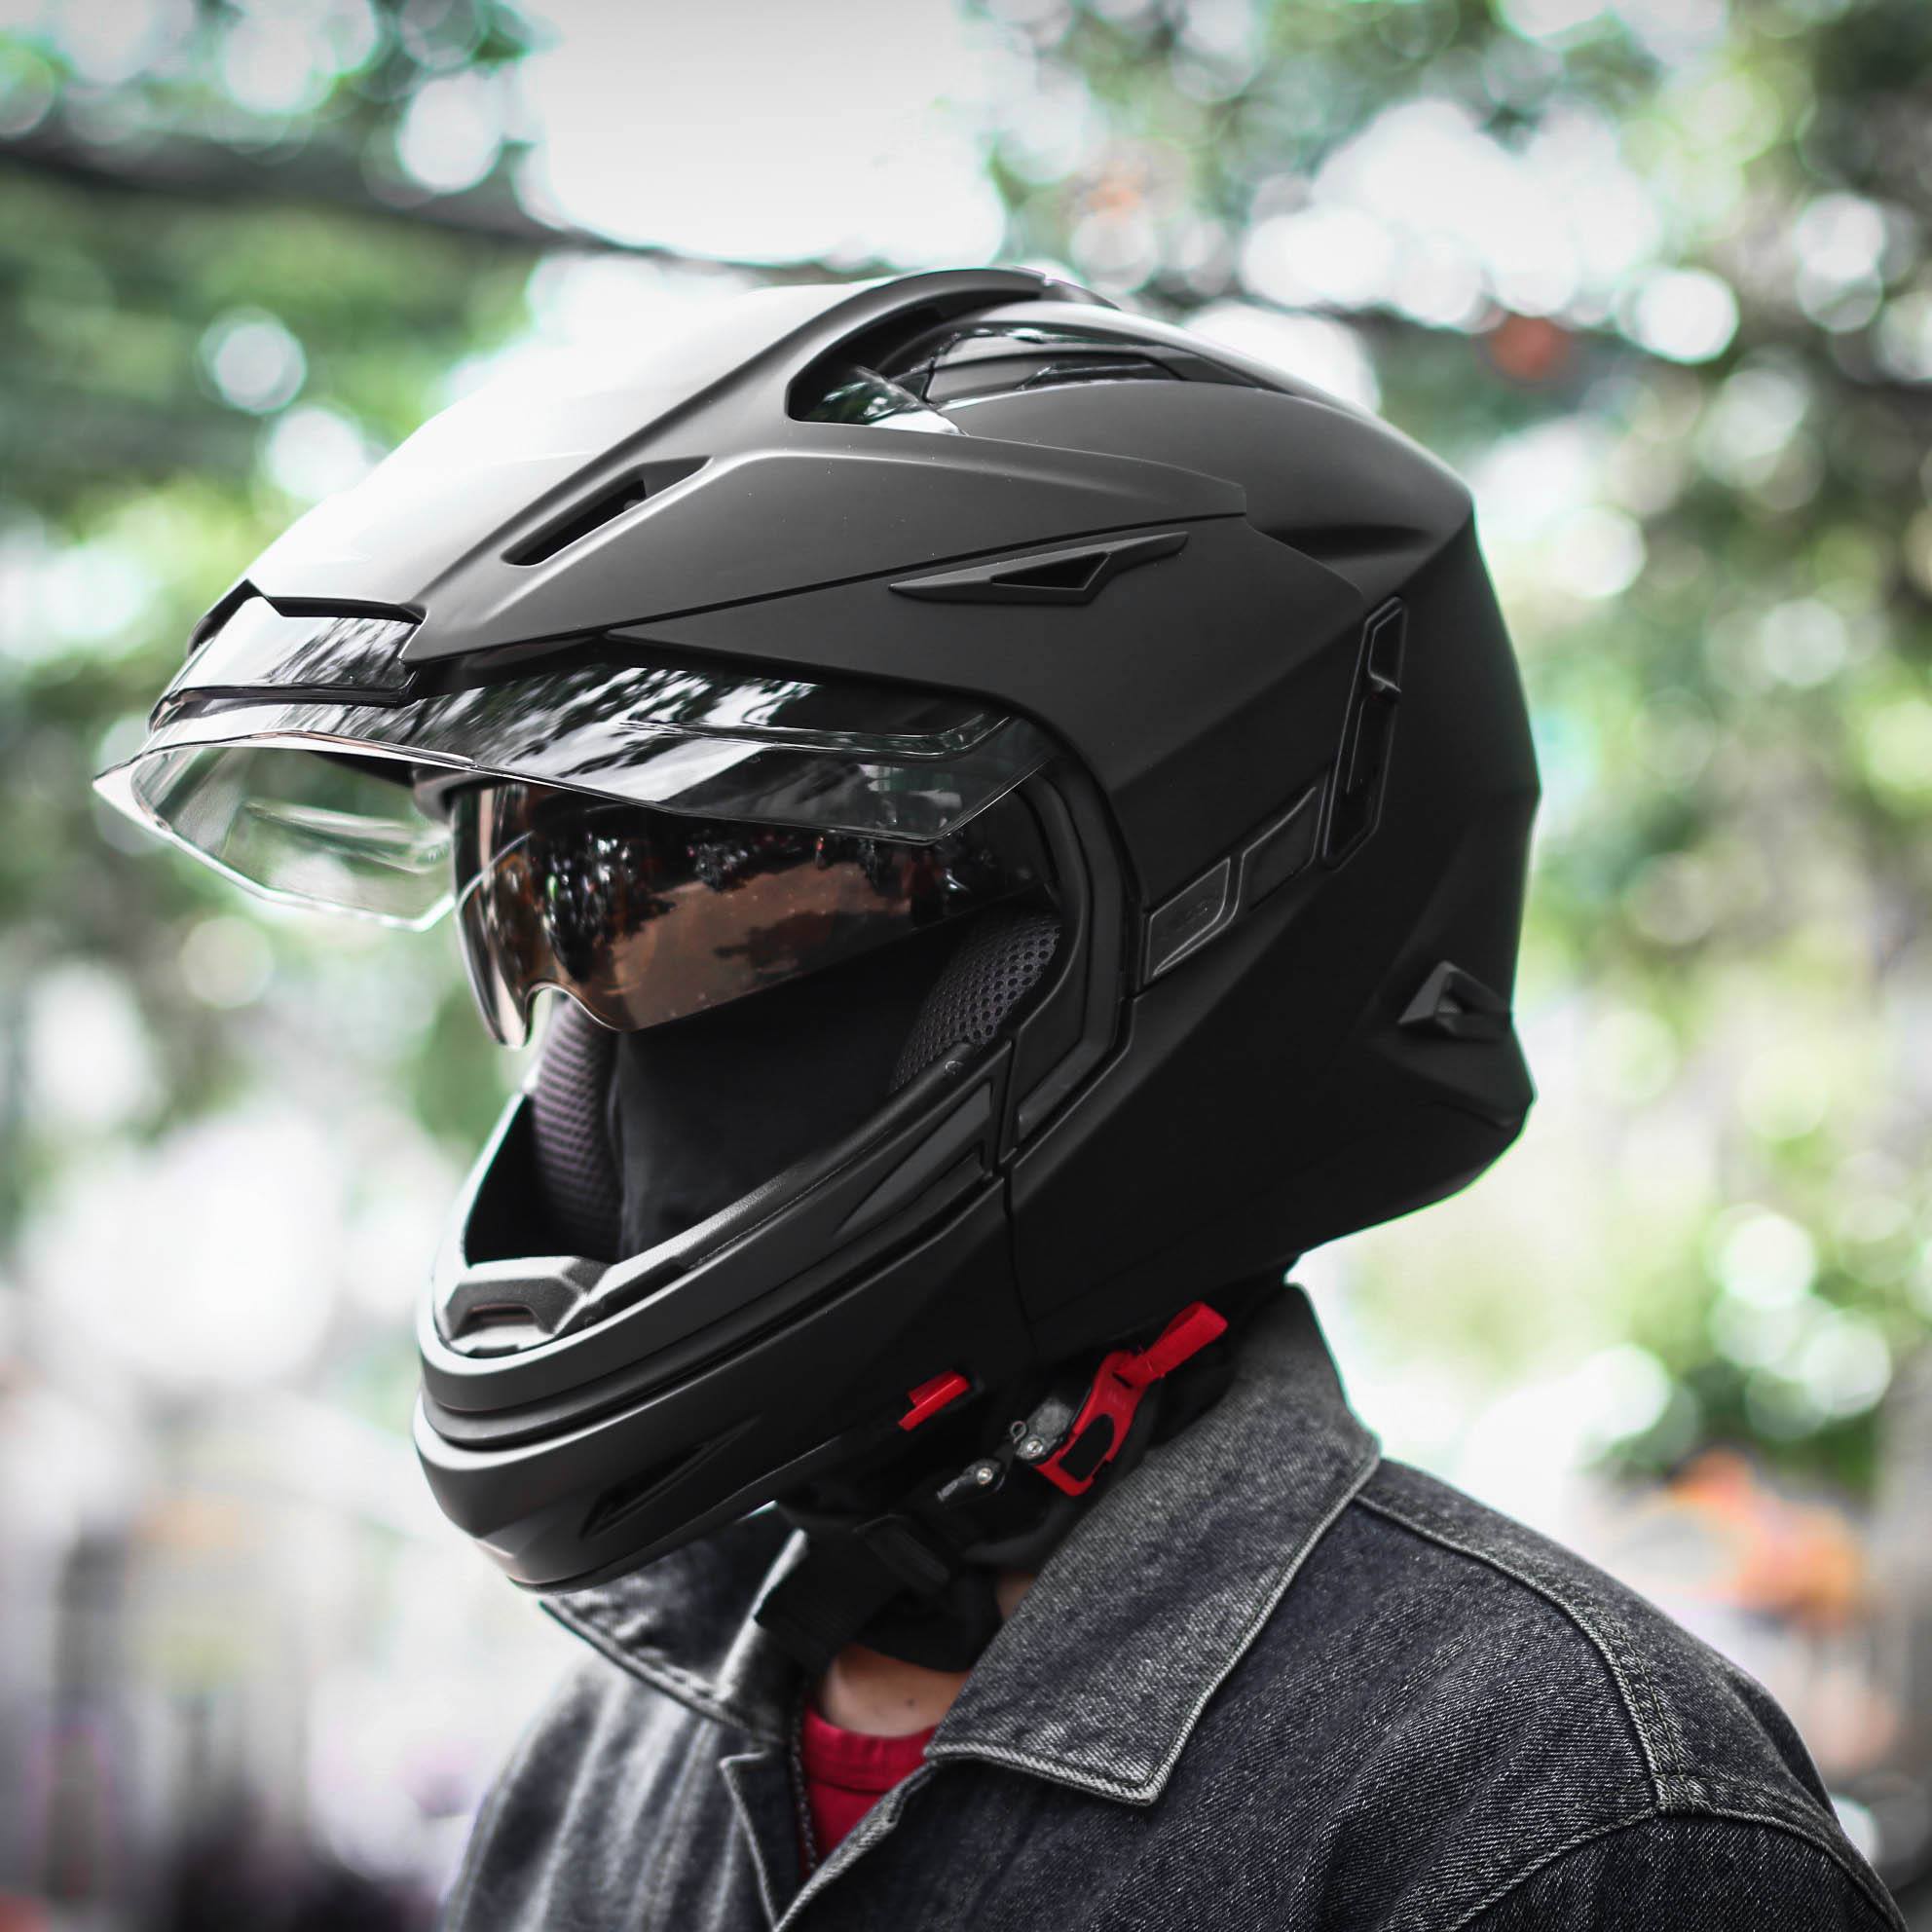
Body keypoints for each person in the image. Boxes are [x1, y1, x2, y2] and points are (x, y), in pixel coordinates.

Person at [98, 268, 1904, 1930]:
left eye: (719, 903)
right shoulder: (594, 1758)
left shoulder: (1556, 1811)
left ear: (1186, 905)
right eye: (549, 916)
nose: (609, 1039)